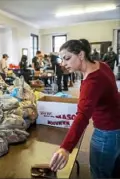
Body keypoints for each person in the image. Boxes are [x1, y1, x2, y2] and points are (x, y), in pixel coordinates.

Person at [49, 39, 120, 178]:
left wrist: (65, 148)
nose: (63, 64)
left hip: (107, 133)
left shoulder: (91, 82)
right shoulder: (102, 65)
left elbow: (82, 117)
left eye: (67, 58)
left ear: (81, 55)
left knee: (100, 173)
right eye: (62, 59)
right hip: (116, 125)